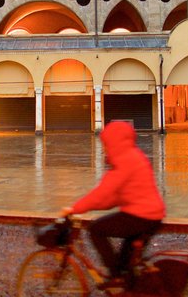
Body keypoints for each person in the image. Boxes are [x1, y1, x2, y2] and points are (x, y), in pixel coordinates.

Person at [61, 120, 165, 288]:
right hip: (152, 215)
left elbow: (103, 192)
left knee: (96, 229)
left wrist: (74, 208)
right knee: (126, 263)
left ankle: (115, 276)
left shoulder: (124, 160)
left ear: (113, 141)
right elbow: (114, 198)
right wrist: (95, 206)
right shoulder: (135, 155)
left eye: (106, 143)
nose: (105, 148)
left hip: (140, 216)